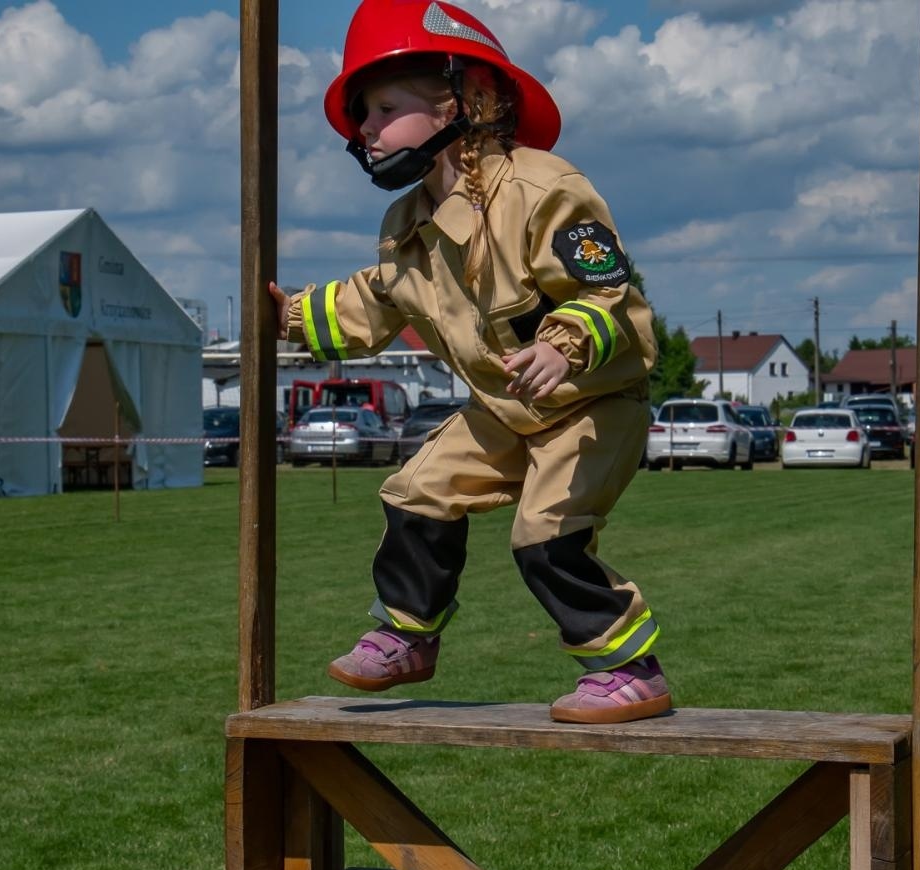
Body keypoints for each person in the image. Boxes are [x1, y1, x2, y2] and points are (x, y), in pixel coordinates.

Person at [267, 0, 668, 724]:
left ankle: (627, 667)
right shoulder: (407, 226)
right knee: (417, 488)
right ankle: (407, 636)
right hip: (507, 413)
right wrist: (291, 317)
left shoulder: (544, 190)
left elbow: (609, 295)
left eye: (384, 107)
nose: (365, 128)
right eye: (363, 113)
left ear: (462, 100)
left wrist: (562, 342)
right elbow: (373, 302)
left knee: (544, 533)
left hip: (591, 406)